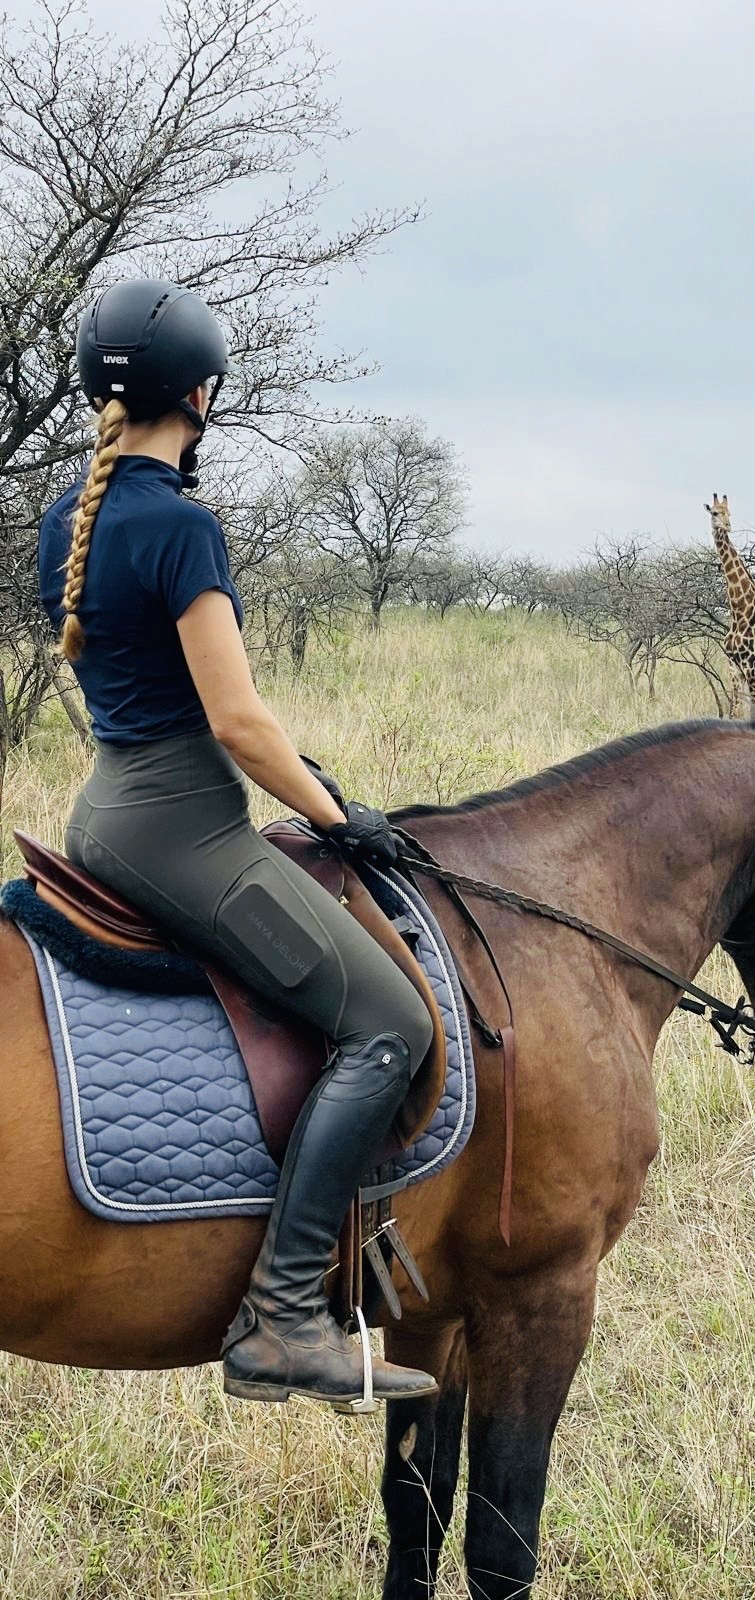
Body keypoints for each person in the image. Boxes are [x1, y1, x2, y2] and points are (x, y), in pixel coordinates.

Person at [37, 279, 437, 1408]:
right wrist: (334, 814)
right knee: (390, 1021)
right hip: (184, 832)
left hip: (104, 811)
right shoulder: (182, 525)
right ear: (202, 395)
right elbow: (237, 721)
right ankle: (283, 1316)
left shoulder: (69, 515)